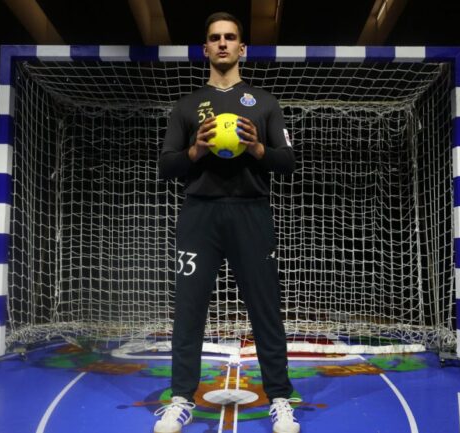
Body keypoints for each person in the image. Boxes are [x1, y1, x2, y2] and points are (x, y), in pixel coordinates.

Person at [154, 11, 300, 433]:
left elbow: (287, 162)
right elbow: (166, 166)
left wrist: (257, 149)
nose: (222, 43)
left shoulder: (265, 103)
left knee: (265, 309)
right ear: (205, 49)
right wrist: (195, 152)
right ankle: (181, 399)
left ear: (242, 48)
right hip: (200, 214)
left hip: (252, 212)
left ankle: (280, 398)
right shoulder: (186, 106)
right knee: (189, 310)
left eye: (230, 37)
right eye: (215, 38)